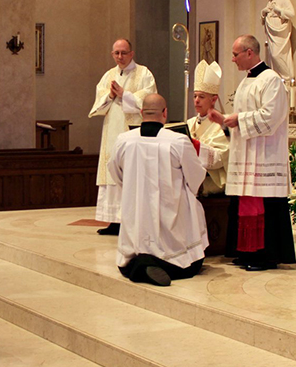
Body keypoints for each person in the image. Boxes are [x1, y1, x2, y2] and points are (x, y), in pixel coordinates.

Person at [208, 35, 296, 272]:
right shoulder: (246, 82)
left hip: (264, 155)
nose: (232, 58)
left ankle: (266, 255)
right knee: (243, 203)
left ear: (250, 53)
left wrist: (237, 119)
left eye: (235, 54)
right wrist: (224, 121)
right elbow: (240, 120)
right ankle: (247, 251)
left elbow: (271, 117)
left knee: (263, 206)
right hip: (246, 153)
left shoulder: (272, 80)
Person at [109, 94, 207, 287]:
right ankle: (153, 263)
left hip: (135, 215)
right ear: (165, 113)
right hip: (169, 218)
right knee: (189, 264)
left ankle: (140, 262)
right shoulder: (178, 141)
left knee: (129, 261)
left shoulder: (123, 140)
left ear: (141, 113)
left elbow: (115, 172)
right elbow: (195, 177)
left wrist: (133, 189)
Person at [88, 38, 156, 235]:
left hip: (133, 131)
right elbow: (98, 105)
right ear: (112, 54)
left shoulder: (144, 74)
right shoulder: (108, 75)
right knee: (112, 174)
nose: (120, 56)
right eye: (116, 53)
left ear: (132, 53)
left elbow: (150, 100)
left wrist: (125, 94)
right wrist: (110, 95)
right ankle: (114, 221)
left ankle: (131, 222)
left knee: (130, 175)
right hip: (112, 132)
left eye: (124, 52)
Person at [186, 60, 229, 195]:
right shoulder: (189, 123)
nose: (197, 100)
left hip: (211, 182)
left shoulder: (222, 124)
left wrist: (194, 145)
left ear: (214, 99)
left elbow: (219, 159)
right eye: (195, 96)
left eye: (202, 97)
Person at [261, 0, 296, 80]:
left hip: (280, 32)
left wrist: (278, 10)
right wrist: (264, 12)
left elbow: (292, 13)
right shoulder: (270, 0)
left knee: (277, 55)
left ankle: (287, 78)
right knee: (272, 55)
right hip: (271, 31)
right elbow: (265, 13)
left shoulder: (284, 0)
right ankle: (277, 79)